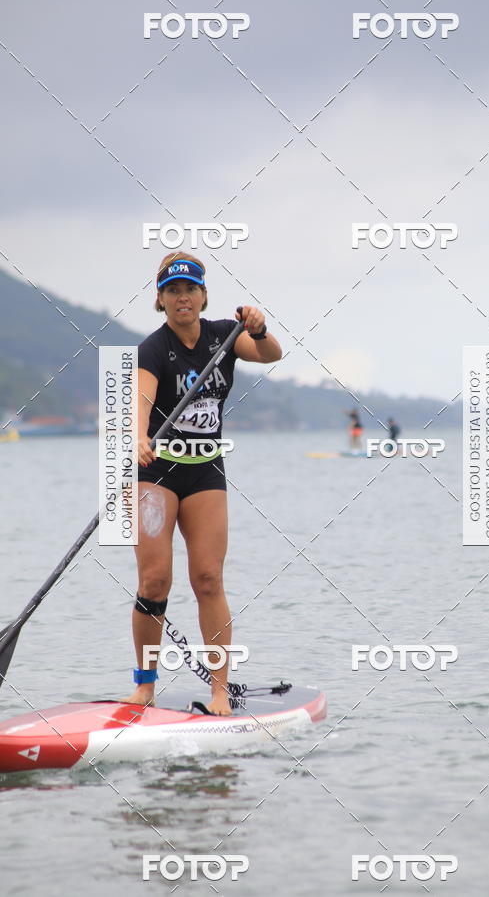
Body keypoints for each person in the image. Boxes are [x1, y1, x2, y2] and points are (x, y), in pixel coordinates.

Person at [124, 252, 282, 715]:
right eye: (172, 291)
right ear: (161, 300)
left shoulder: (223, 336)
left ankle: (219, 691)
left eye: (189, 289)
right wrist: (137, 434)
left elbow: (272, 354)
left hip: (206, 470)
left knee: (209, 579)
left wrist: (257, 328)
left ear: (203, 295)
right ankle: (145, 686)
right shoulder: (153, 348)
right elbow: (142, 395)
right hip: (158, 470)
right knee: (154, 582)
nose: (182, 298)